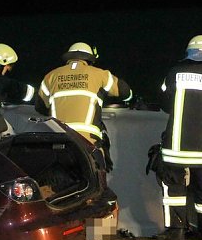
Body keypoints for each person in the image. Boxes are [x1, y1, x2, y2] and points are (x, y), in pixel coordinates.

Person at [158, 35, 202, 240]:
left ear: (189, 52)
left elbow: (164, 100)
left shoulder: (174, 73)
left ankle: (177, 230)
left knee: (175, 186)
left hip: (176, 147)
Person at [36, 42, 132, 171]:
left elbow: (40, 107)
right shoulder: (99, 74)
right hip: (88, 142)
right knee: (95, 183)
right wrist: (129, 98)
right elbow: (124, 91)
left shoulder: (50, 76)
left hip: (58, 142)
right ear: (89, 59)